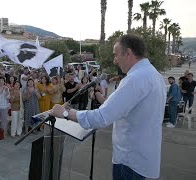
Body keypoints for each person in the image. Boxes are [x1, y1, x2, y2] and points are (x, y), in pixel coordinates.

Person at [50, 34, 167, 179]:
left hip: (130, 162)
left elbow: (101, 117)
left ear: (128, 53)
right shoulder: (153, 75)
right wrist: (104, 100)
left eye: (116, 55)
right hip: (143, 159)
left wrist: (66, 113)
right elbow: (130, 110)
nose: (115, 60)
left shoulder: (135, 79)